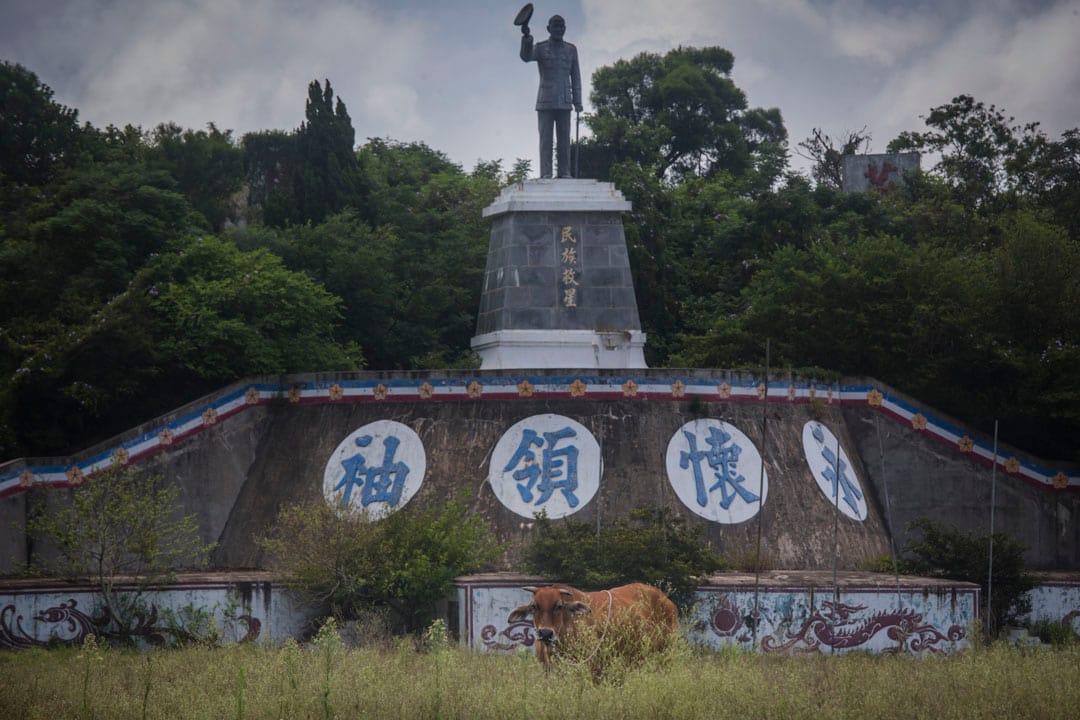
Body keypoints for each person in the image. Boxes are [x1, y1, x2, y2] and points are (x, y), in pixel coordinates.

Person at [520, 14, 582, 179]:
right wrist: (527, 38)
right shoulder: (540, 48)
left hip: (565, 101)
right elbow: (526, 57)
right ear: (549, 29)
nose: (559, 29)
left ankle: (564, 172)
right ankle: (546, 173)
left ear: (565, 29)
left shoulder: (571, 49)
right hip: (545, 101)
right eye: (555, 26)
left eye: (561, 26)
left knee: (564, 141)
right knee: (546, 141)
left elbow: (576, 77)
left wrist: (578, 101)